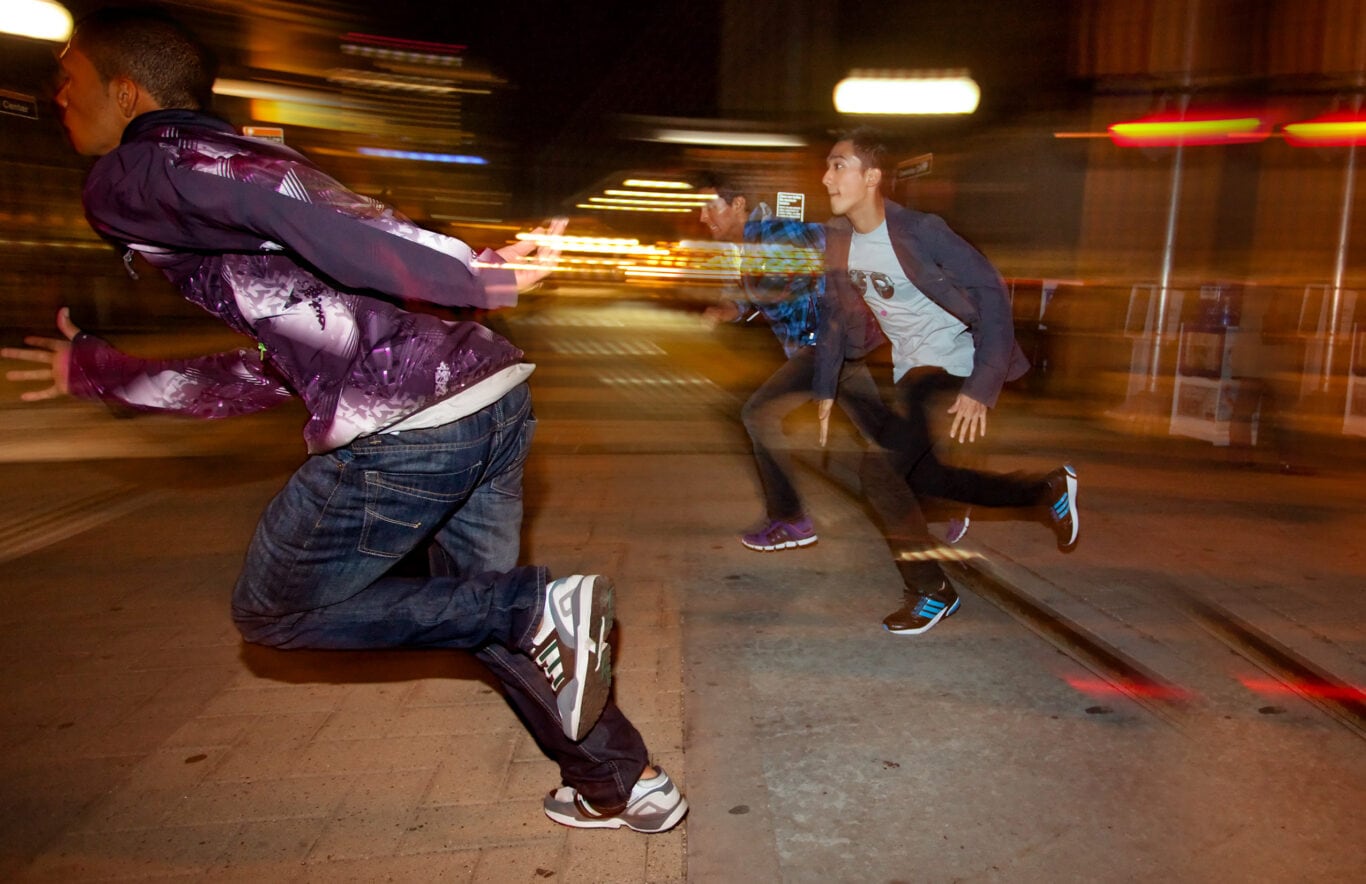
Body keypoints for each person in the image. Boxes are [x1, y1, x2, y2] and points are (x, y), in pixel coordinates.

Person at [0, 7, 685, 834]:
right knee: (480, 606)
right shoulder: (212, 187)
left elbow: (281, 192)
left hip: (413, 425)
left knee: (276, 612)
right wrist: (107, 373)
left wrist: (477, 271)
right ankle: (620, 780)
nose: (56, 99)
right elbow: (272, 363)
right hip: (487, 398)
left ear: (127, 91)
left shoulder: (146, 169)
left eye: (68, 84)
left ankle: (535, 614)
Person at [815, 127, 1080, 635]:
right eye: (827, 166)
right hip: (912, 368)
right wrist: (827, 387)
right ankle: (1047, 492)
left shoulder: (920, 230)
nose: (827, 177)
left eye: (838, 166)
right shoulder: (841, 238)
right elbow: (833, 316)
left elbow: (992, 295)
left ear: (871, 177)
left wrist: (982, 385)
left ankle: (930, 592)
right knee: (928, 480)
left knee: (880, 476)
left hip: (953, 362)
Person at [695, 172, 898, 553]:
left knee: (758, 414)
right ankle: (948, 493)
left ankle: (790, 520)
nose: (704, 218)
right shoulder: (753, 241)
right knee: (883, 432)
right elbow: (766, 287)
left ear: (738, 205)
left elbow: (814, 262)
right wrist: (732, 308)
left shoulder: (774, 233)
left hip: (822, 344)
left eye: (710, 207)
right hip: (834, 348)